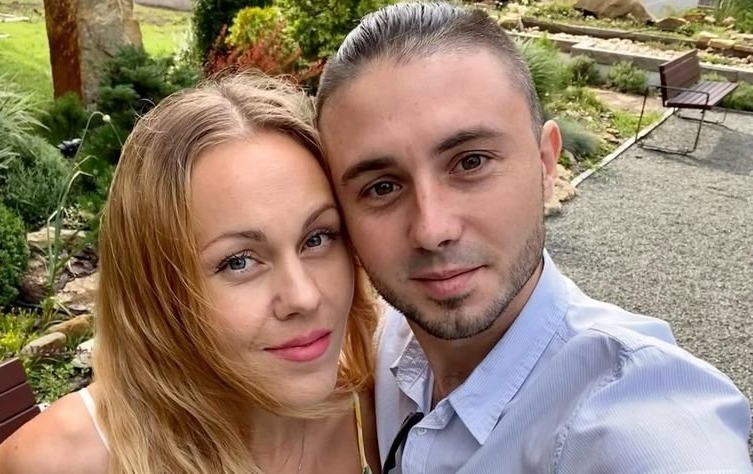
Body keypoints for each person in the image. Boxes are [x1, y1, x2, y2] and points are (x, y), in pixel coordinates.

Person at [316, 3, 753, 473]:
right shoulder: (384, 342)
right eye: (382, 188)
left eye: (471, 162)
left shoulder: (636, 414)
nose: (432, 230)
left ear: (546, 165)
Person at [0, 74, 381, 474]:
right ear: (154, 289)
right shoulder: (58, 462)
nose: (304, 297)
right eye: (239, 261)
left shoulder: (381, 415)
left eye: (317, 238)